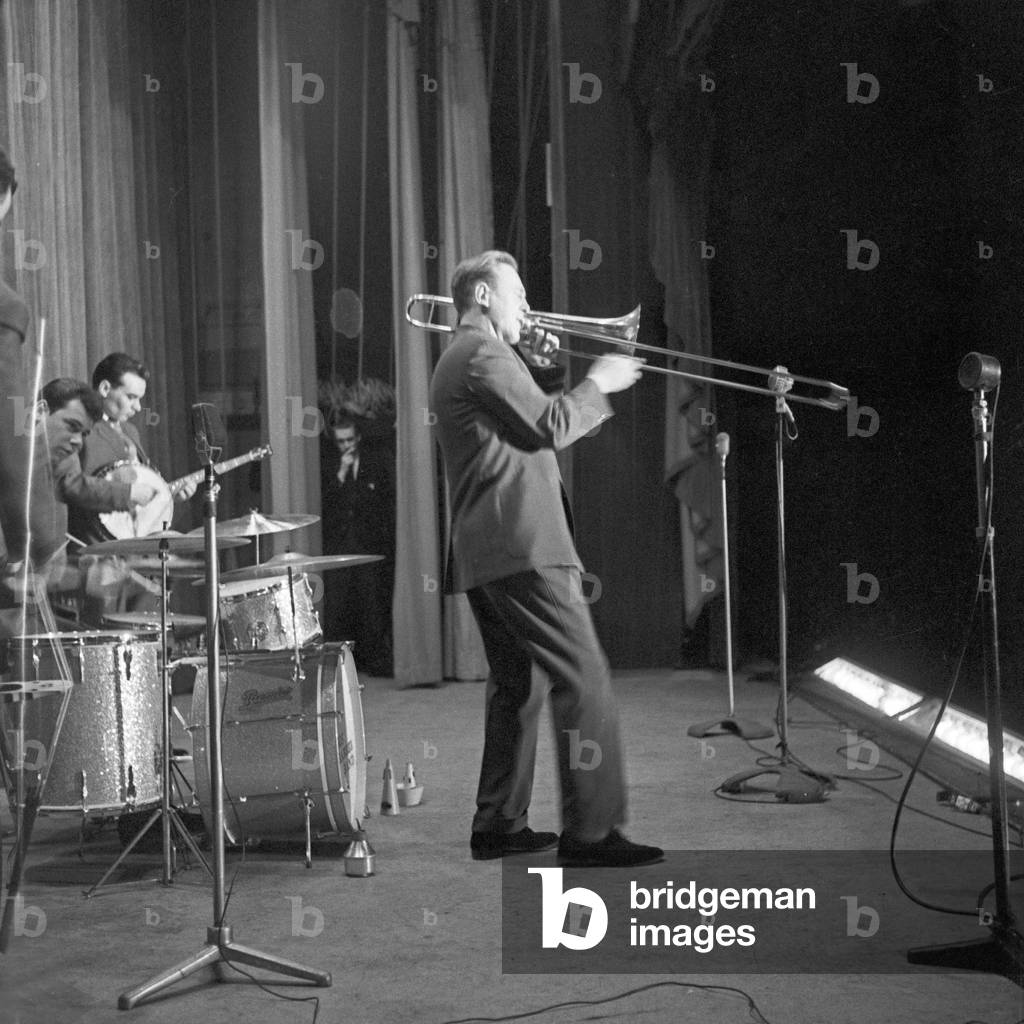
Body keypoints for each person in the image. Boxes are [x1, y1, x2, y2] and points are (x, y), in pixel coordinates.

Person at [429, 249, 663, 868]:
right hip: (520, 544)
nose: (529, 308)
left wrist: (553, 370)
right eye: (519, 294)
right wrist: (598, 382)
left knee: (518, 683)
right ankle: (593, 832)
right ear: (482, 296)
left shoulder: (471, 356)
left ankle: (499, 822)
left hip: (490, 546)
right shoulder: (481, 353)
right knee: (585, 677)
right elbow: (549, 426)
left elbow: (531, 423)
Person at [66, 353, 196, 623]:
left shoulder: (131, 434)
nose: (137, 407)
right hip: (95, 562)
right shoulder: (80, 430)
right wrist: (128, 495)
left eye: (140, 399)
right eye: (131, 397)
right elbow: (72, 487)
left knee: (150, 638)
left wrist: (169, 496)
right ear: (104, 389)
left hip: (136, 560)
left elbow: (141, 495)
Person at [320, 412, 395, 676]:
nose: (347, 446)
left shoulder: (375, 462)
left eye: (350, 440)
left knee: (371, 604)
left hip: (369, 544)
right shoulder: (329, 464)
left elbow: (386, 502)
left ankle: (374, 661)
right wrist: (340, 473)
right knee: (338, 606)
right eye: (341, 441)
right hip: (339, 545)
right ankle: (339, 665)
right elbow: (325, 506)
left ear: (358, 438)